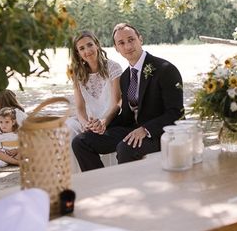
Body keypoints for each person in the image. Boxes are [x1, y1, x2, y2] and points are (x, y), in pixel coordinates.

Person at [72, 23, 184, 171]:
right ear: (117, 48)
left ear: (140, 39)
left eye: (131, 40)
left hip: (159, 133)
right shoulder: (125, 77)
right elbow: (126, 116)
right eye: (121, 43)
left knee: (125, 148)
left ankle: (127, 188)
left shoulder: (165, 69)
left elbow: (176, 112)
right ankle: (101, 183)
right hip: (132, 129)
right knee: (81, 142)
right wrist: (103, 125)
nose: (128, 46)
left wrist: (145, 129)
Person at [65, 30, 123, 172]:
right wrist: (86, 124)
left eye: (90, 45)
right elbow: (79, 108)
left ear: (97, 45)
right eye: (82, 48)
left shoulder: (113, 68)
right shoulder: (77, 74)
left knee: (97, 134)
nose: (87, 51)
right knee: (68, 128)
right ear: (78, 53)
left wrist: (103, 122)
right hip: (89, 119)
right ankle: (78, 177)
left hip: (110, 117)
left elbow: (117, 103)